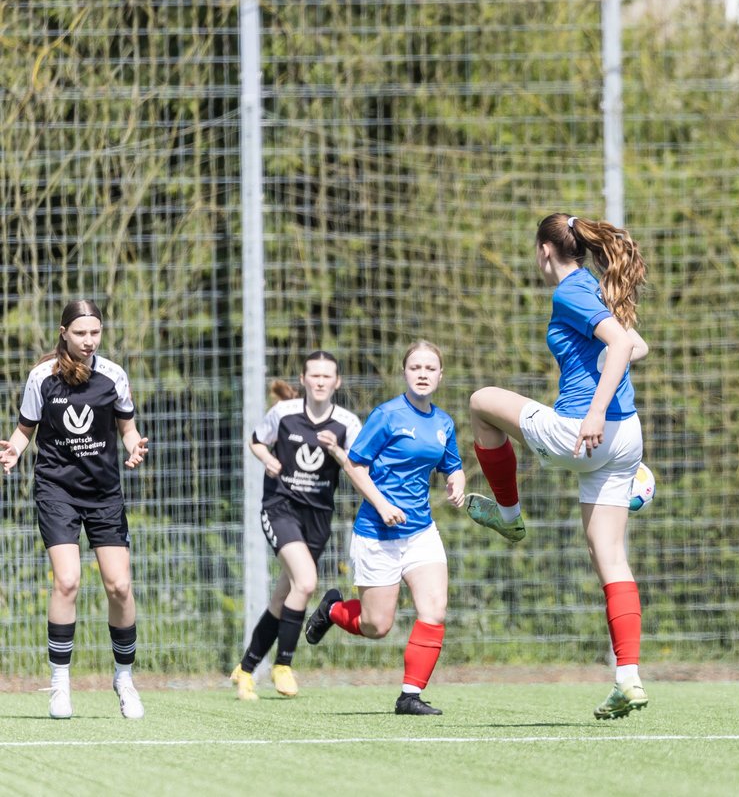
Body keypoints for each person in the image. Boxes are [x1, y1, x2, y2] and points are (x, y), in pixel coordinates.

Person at [467, 212, 651, 721]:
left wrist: (593, 411)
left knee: (481, 401)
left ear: (545, 251)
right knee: (610, 557)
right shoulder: (596, 287)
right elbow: (637, 344)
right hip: (626, 437)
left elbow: (620, 344)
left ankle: (508, 515)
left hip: (582, 435)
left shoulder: (570, 292)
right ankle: (627, 678)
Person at [0, 300, 150, 720]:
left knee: (119, 586)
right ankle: (60, 685)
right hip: (56, 491)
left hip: (103, 493)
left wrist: (133, 446)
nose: (89, 340)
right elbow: (25, 429)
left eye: (95, 333)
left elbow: (126, 425)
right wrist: (13, 450)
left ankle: (124, 678)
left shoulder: (113, 376)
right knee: (67, 580)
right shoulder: (41, 378)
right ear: (64, 331)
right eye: (81, 333)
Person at [304, 341, 465, 715]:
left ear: (440, 375)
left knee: (435, 608)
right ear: (405, 373)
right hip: (377, 533)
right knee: (377, 625)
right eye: (415, 368)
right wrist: (382, 504)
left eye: (430, 368)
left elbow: (451, 464)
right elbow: (355, 465)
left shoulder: (443, 423)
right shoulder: (387, 415)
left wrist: (456, 480)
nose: (423, 374)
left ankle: (410, 696)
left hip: (421, 532)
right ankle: (332, 611)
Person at [230, 351, 362, 701]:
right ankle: (283, 664)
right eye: (314, 376)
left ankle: (244, 670)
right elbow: (256, 440)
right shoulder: (284, 414)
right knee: (306, 581)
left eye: (327, 376)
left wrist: (339, 454)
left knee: (283, 596)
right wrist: (268, 459)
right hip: (280, 508)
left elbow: (359, 467)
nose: (320, 381)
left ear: (337, 382)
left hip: (317, 517)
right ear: (303, 380)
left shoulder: (347, 424)